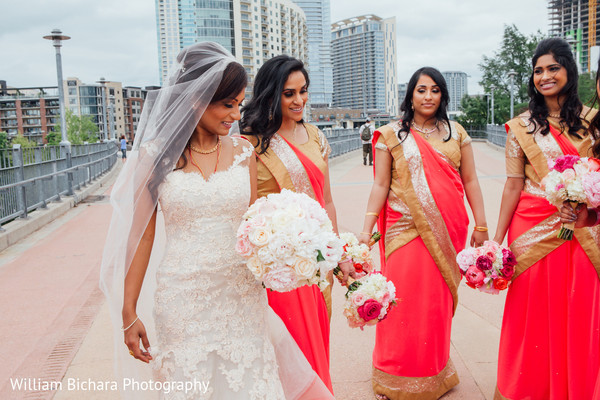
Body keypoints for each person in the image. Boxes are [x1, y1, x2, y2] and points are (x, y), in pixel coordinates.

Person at [99, 42, 333, 399]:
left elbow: (254, 226)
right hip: (182, 299)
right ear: (196, 98)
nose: (237, 115)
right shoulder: (154, 157)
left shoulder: (244, 152)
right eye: (228, 104)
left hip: (242, 296)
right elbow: (140, 237)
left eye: (240, 104)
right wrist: (128, 312)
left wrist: (294, 246)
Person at [358, 66, 488, 399]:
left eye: (435, 90)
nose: (428, 96)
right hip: (403, 231)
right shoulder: (392, 135)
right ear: (410, 95)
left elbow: (470, 180)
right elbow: (380, 184)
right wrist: (366, 228)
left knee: (434, 305)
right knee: (400, 302)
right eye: (421, 89)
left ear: (443, 94)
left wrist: (481, 224)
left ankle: (434, 372)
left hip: (449, 229)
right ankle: (393, 375)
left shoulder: (455, 133)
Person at [493, 38, 600, 400]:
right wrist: (497, 241)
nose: (545, 76)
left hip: (583, 229)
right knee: (532, 315)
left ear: (569, 70)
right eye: (538, 70)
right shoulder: (521, 127)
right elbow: (512, 186)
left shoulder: (593, 122)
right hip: (532, 227)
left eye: (553, 68)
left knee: (578, 310)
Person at [240, 55, 354, 394]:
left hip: (318, 265)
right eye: (289, 94)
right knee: (289, 352)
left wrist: (338, 254)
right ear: (271, 95)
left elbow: (327, 201)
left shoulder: (316, 135)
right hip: (279, 269)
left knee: (318, 342)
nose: (299, 100)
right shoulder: (252, 143)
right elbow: (246, 210)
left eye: (303, 91)